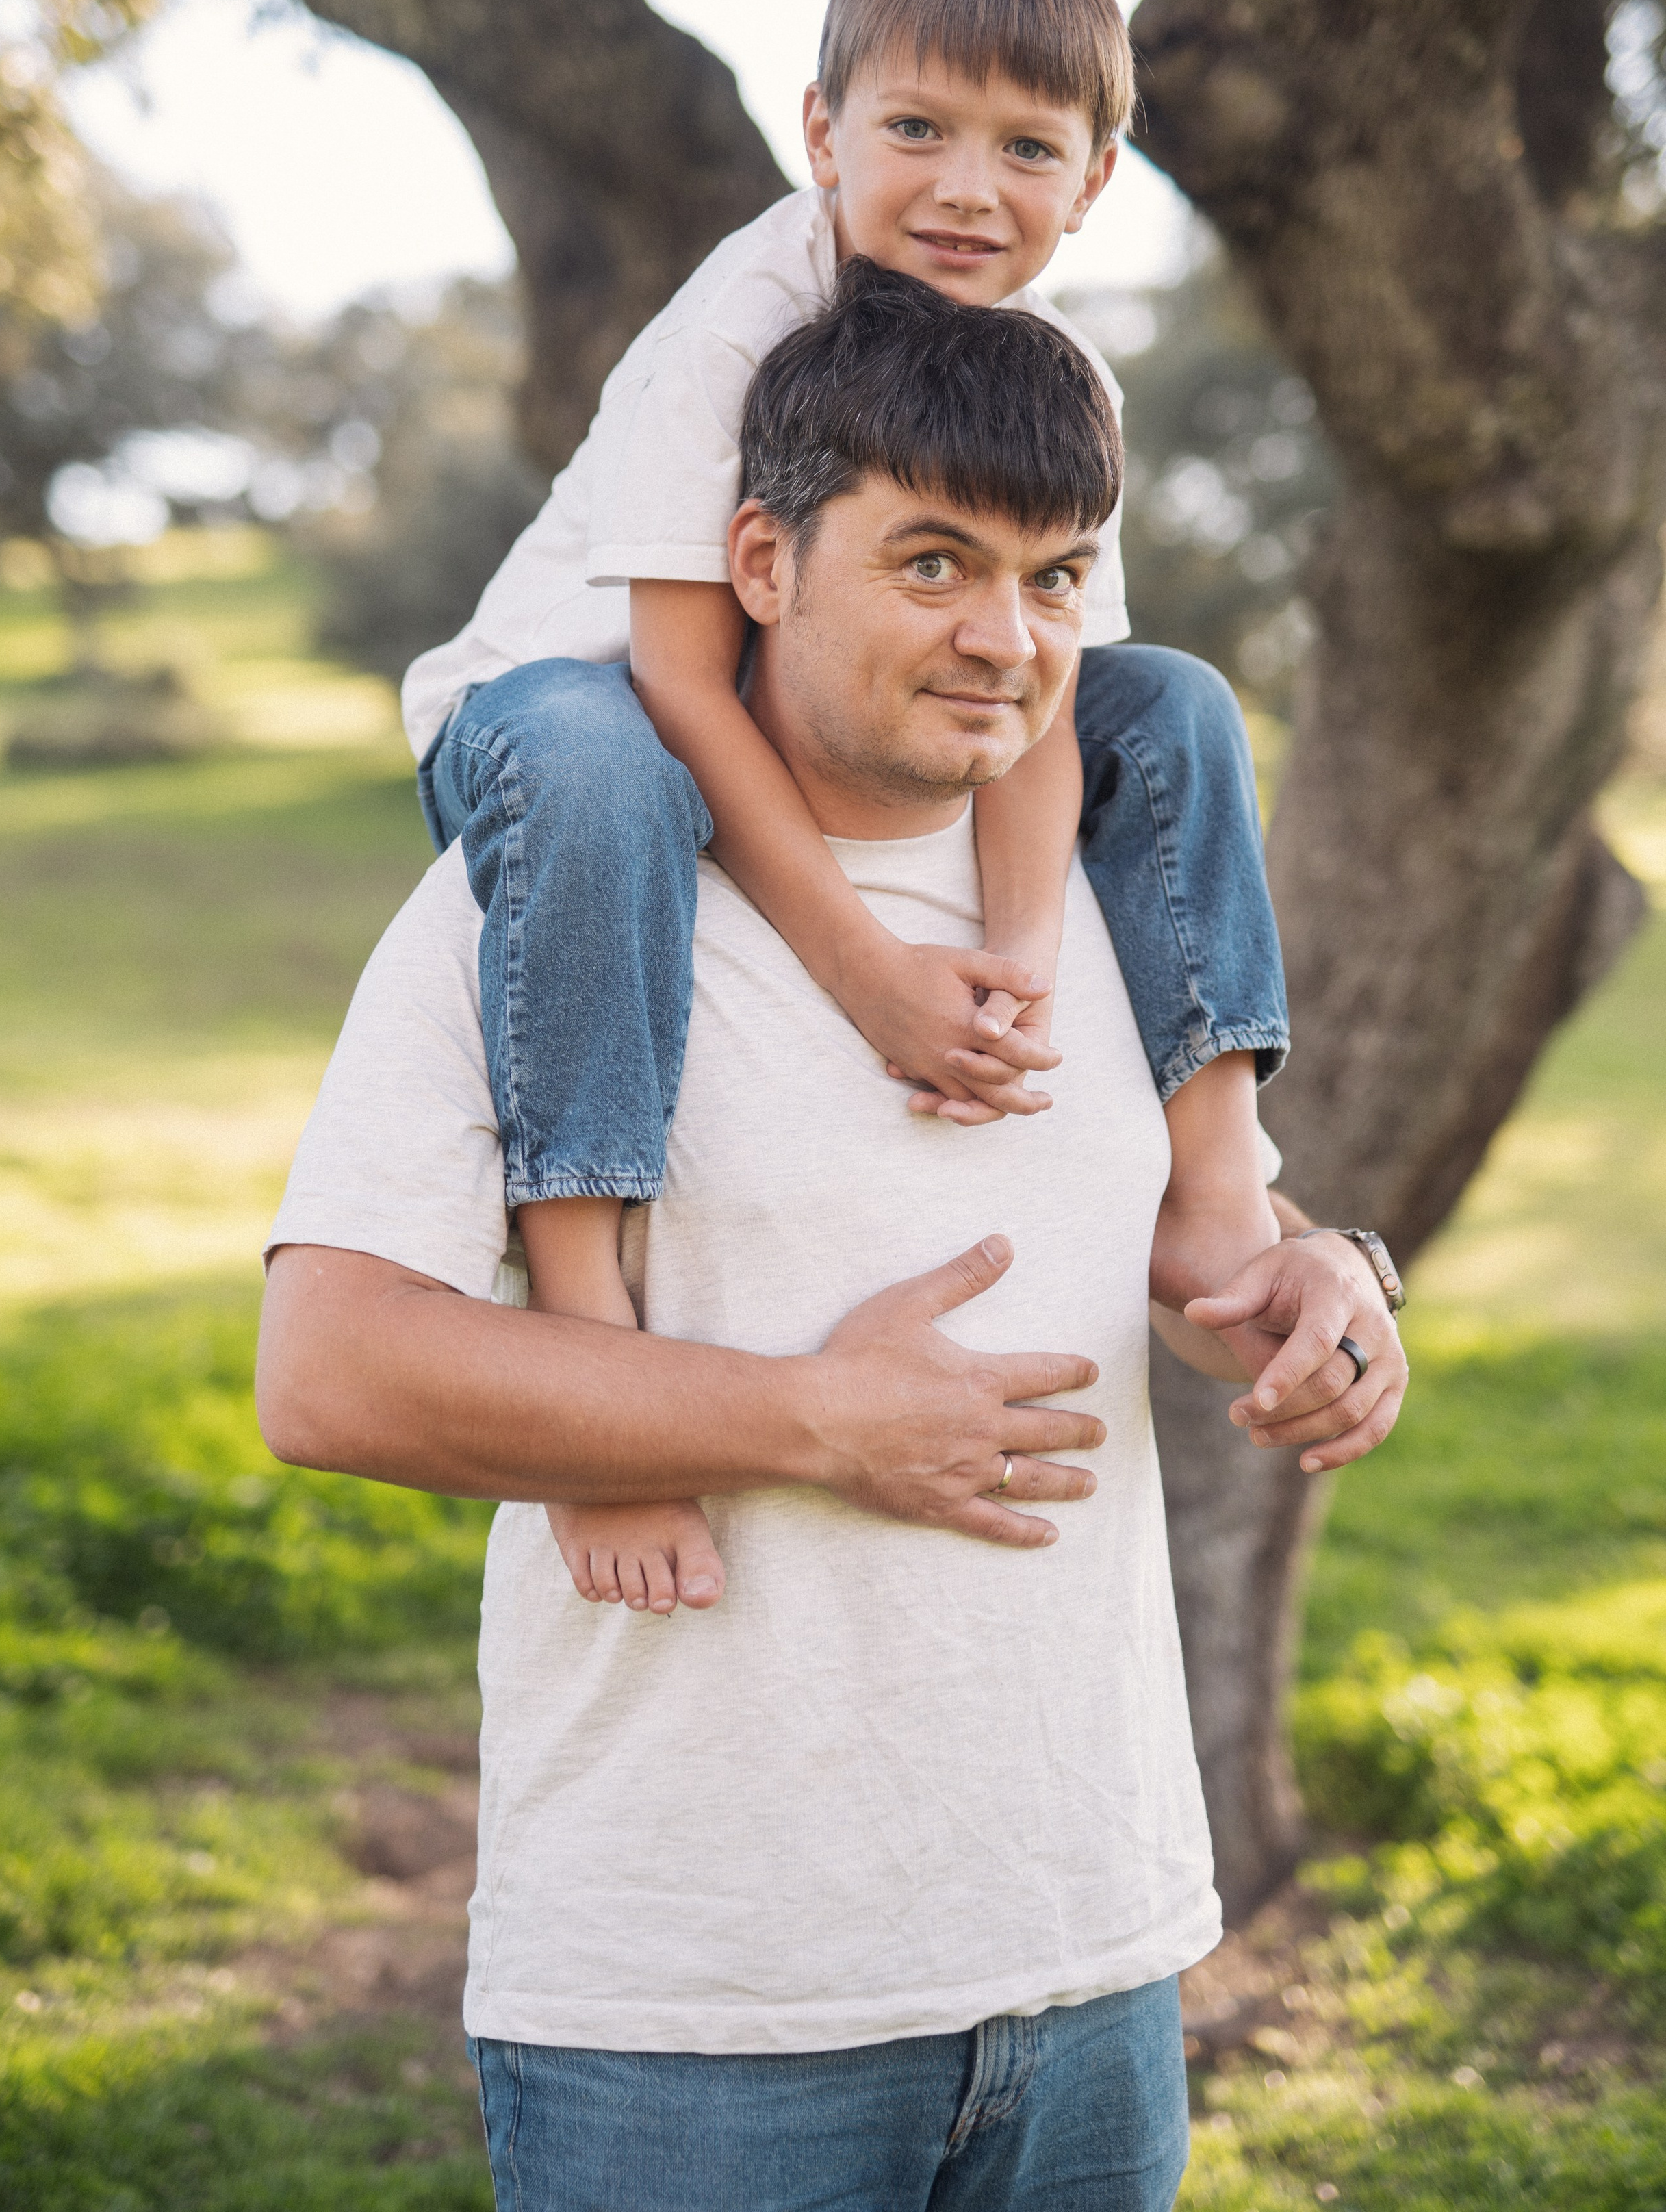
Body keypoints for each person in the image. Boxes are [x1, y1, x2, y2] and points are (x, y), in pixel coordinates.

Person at [258, 264, 1407, 2212]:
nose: (1009, 638)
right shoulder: (548, 887)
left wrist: (1325, 1289)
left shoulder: (1102, 886)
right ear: (761, 563)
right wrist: (812, 1418)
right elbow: (329, 1372)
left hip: (1092, 1953)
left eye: (1057, 578)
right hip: (698, 2015)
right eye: (938, 563)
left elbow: (1204, 1260)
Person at [398, 0, 1290, 1616]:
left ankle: (1221, 1190)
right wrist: (868, 970)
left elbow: (1039, 687)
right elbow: (671, 672)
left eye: (1025, 146)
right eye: (913, 130)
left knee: (1170, 701)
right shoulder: (735, 326)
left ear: (1094, 179)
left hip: (787, 711)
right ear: (821, 134)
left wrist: (1008, 963)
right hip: (554, 715)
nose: (966, 188)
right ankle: (591, 1354)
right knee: (603, 774)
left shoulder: (1057, 386)